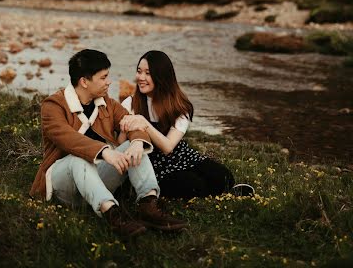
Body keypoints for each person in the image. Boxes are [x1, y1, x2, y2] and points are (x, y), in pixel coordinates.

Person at [30, 48, 187, 238]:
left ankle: (149, 205)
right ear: (84, 82)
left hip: (97, 178)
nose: (109, 82)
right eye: (103, 77)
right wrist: (105, 151)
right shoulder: (53, 105)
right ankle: (113, 214)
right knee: (77, 159)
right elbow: (67, 138)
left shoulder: (108, 104)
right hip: (64, 184)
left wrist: (137, 142)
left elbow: (132, 122)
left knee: (134, 147)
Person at [120, 50, 254, 199]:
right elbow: (120, 142)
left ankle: (223, 189)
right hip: (151, 163)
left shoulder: (179, 106)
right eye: (139, 72)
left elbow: (168, 147)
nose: (141, 77)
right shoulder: (130, 104)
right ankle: (212, 192)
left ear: (162, 76)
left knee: (223, 176)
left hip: (179, 155)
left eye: (148, 73)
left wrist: (143, 123)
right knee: (193, 186)